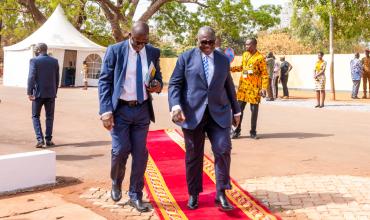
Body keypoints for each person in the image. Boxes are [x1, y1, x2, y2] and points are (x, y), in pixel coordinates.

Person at [168, 26, 241, 211]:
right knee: (193, 156)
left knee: (223, 149)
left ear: (215, 41)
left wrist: (236, 110)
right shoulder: (185, 58)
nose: (207, 45)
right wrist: (175, 106)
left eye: (210, 42)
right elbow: (175, 84)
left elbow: (229, 86)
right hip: (192, 114)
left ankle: (221, 193)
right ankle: (193, 194)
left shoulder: (223, 60)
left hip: (219, 113)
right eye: (203, 42)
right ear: (197, 40)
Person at [98, 22, 162, 212]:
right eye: (136, 42)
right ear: (129, 35)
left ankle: (136, 195)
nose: (140, 46)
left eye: (144, 42)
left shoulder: (152, 52)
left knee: (140, 154)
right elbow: (104, 82)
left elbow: (157, 77)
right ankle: (116, 182)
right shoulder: (115, 51)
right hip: (121, 110)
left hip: (142, 110)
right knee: (120, 150)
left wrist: (157, 85)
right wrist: (105, 111)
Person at [230, 37, 268, 139]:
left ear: (254, 45)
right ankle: (237, 131)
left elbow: (264, 74)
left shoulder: (260, 58)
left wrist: (263, 88)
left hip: (254, 88)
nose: (246, 46)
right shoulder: (245, 54)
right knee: (238, 110)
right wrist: (231, 69)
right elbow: (242, 67)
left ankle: (253, 132)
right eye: (245, 44)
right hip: (243, 88)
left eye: (248, 45)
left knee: (254, 111)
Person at [27, 43, 59, 148]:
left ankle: (40, 140)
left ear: (38, 50)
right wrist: (55, 91)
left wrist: (29, 92)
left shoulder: (34, 61)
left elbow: (31, 77)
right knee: (50, 117)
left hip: (38, 94)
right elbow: (57, 78)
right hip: (51, 94)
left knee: (35, 116)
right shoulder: (54, 61)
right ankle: (48, 140)